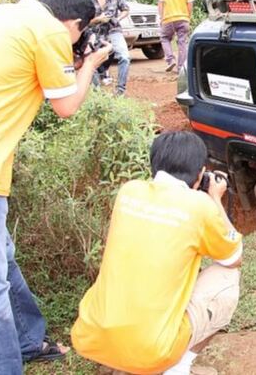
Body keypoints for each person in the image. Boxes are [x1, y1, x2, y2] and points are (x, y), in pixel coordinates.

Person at [0, 0, 112, 373]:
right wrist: (88, 65)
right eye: (80, 33)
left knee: (3, 260)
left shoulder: (1, 14)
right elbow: (66, 105)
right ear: (74, 23)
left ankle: (27, 341)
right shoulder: (50, 31)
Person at [71, 131, 242, 375]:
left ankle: (119, 360)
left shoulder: (128, 192)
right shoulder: (200, 206)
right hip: (153, 352)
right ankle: (177, 368)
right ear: (201, 174)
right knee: (227, 276)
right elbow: (234, 258)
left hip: (91, 337)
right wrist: (214, 198)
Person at [88, 0, 131, 95]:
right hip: (95, 32)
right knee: (91, 61)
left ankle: (120, 90)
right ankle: (97, 93)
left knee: (124, 57)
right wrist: (98, 19)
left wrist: (117, 19)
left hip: (113, 30)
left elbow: (125, 9)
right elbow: (84, 21)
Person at [157, 0, 195, 73]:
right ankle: (181, 68)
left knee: (164, 38)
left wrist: (161, 17)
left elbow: (160, 3)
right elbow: (190, 4)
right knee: (182, 42)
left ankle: (170, 60)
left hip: (168, 18)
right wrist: (188, 17)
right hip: (183, 18)